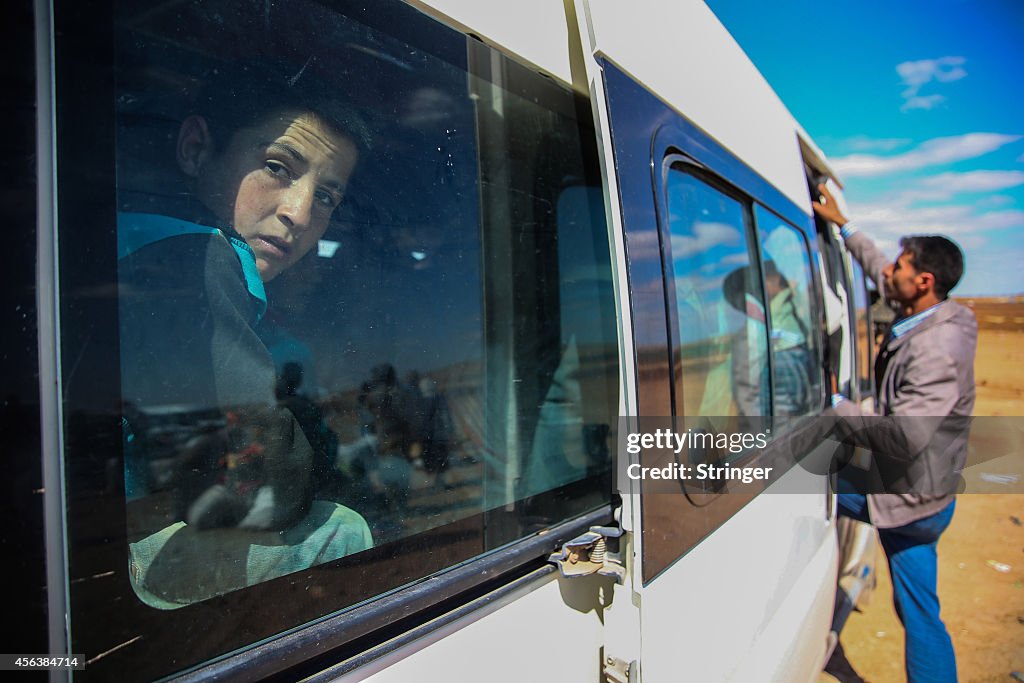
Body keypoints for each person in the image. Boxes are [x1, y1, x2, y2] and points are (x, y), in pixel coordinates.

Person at [119, 64, 366, 532]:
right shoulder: (197, 255)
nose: (298, 213)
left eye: (327, 198)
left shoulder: (131, 245)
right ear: (195, 149)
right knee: (344, 531)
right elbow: (262, 478)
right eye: (276, 167)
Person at [813, 183, 977, 683]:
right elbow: (876, 265)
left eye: (901, 266)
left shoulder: (937, 348)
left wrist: (836, 407)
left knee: (799, 475)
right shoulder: (932, 312)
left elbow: (904, 437)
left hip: (908, 495)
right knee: (921, 613)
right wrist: (845, 226)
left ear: (924, 281)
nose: (890, 270)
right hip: (930, 498)